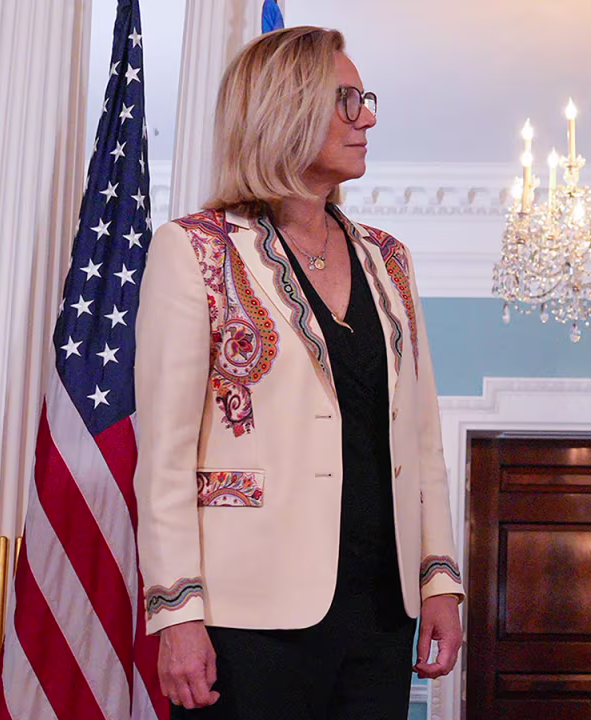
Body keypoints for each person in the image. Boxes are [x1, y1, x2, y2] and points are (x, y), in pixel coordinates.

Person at [134, 27, 464, 719]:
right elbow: (163, 457)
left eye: (364, 99)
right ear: (284, 111)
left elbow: (424, 443)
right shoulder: (194, 249)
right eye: (346, 100)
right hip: (246, 613)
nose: (367, 117)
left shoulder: (388, 258)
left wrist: (439, 584)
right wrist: (176, 613)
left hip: (382, 607)